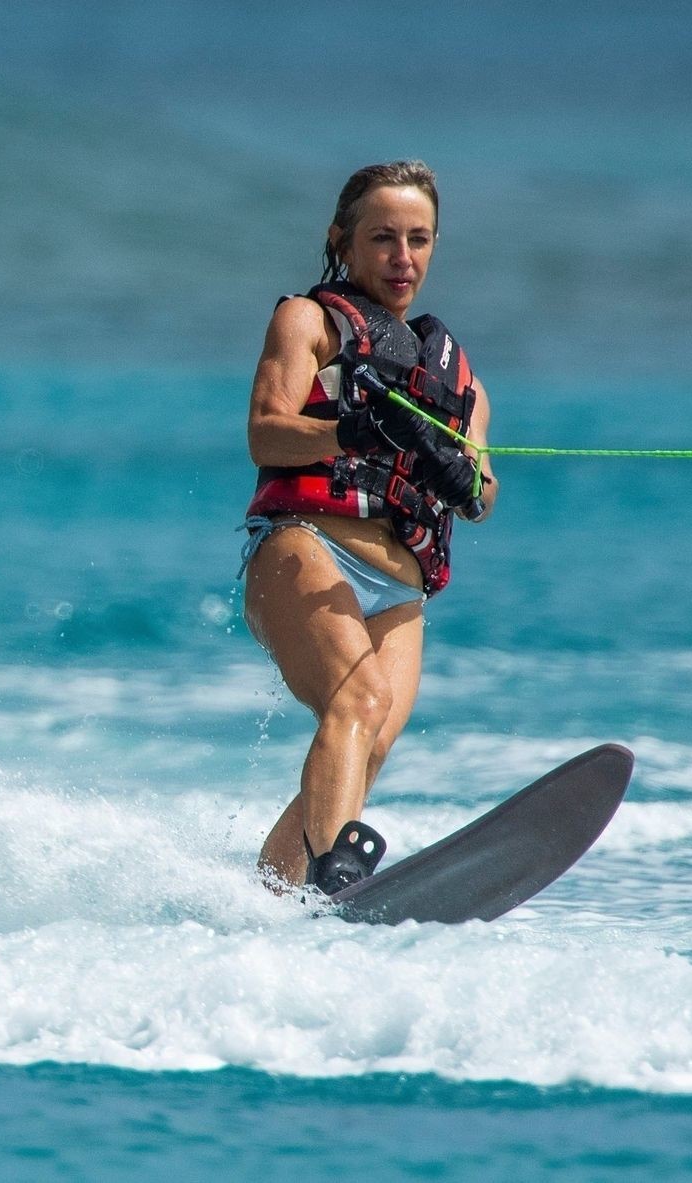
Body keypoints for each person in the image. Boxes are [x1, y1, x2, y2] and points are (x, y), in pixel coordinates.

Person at [240, 160, 497, 896]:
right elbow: (265, 432)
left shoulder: (458, 377)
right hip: (307, 546)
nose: (401, 256)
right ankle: (336, 877)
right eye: (383, 237)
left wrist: (462, 478)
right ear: (342, 241)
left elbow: (484, 489)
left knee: (368, 743)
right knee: (358, 703)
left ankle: (272, 896)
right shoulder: (307, 321)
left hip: (399, 590)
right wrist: (352, 429)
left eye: (419, 238)